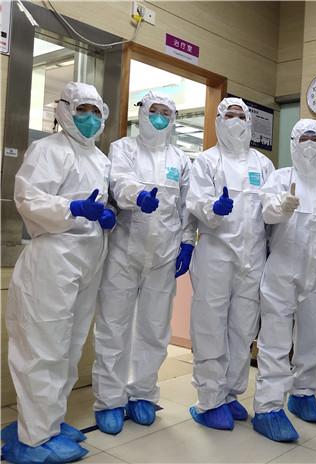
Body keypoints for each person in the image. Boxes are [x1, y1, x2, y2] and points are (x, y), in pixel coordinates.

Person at [1, 82, 114, 463]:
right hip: (52, 259)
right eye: (83, 109)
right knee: (43, 348)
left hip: (87, 260)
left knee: (69, 347)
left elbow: (99, 202)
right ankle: (34, 437)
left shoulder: (100, 159)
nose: (90, 118)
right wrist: (72, 209)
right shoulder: (47, 149)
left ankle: (50, 420)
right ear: (65, 109)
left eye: (96, 111)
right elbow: (28, 199)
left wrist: (105, 216)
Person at [91, 92, 196, 435]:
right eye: (154, 111)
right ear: (143, 113)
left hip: (163, 255)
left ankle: (143, 394)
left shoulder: (180, 159)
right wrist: (137, 195)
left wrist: (187, 242)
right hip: (124, 250)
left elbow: (185, 205)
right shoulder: (123, 148)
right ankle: (109, 399)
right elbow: (119, 181)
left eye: (166, 112)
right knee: (114, 326)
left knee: (154, 329)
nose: (160, 117)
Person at [186, 97, 275, 431]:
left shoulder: (263, 164)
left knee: (243, 328)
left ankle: (230, 393)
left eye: (241, 115)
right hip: (216, 253)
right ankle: (209, 400)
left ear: (250, 121)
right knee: (210, 326)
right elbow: (194, 201)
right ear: (218, 120)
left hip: (253, 256)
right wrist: (213, 208)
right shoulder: (206, 161)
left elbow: (270, 210)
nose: (236, 121)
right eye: (229, 115)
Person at [252, 119, 316, 442]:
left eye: (315, 137)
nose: (310, 143)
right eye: (304, 137)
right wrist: (281, 206)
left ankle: (303, 394)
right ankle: (268, 407)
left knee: (313, 338)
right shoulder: (279, 177)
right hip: (282, 271)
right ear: (293, 142)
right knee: (275, 341)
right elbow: (265, 213)